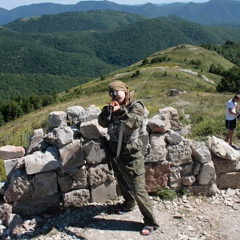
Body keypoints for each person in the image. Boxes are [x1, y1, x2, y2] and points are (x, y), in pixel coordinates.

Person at [98, 80, 159, 236]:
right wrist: (107, 112)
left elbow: (134, 123)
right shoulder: (113, 106)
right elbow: (102, 122)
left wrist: (119, 112)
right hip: (115, 153)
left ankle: (150, 221)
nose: (114, 96)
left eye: (117, 92)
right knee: (122, 181)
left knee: (138, 188)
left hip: (132, 154)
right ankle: (128, 204)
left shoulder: (136, 106)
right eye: (111, 93)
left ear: (125, 91)